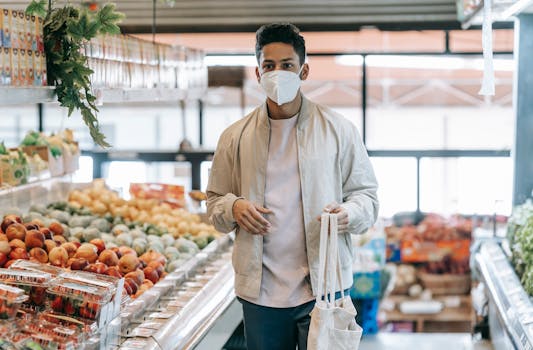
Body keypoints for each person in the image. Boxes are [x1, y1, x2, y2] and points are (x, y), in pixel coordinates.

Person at [206, 23, 379, 350]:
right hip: (260, 293)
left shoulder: (338, 130)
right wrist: (234, 207)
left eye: (287, 65)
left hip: (325, 287)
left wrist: (349, 212)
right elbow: (214, 203)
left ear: (304, 70)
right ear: (258, 74)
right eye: (269, 66)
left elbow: (367, 197)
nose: (277, 73)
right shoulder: (235, 137)